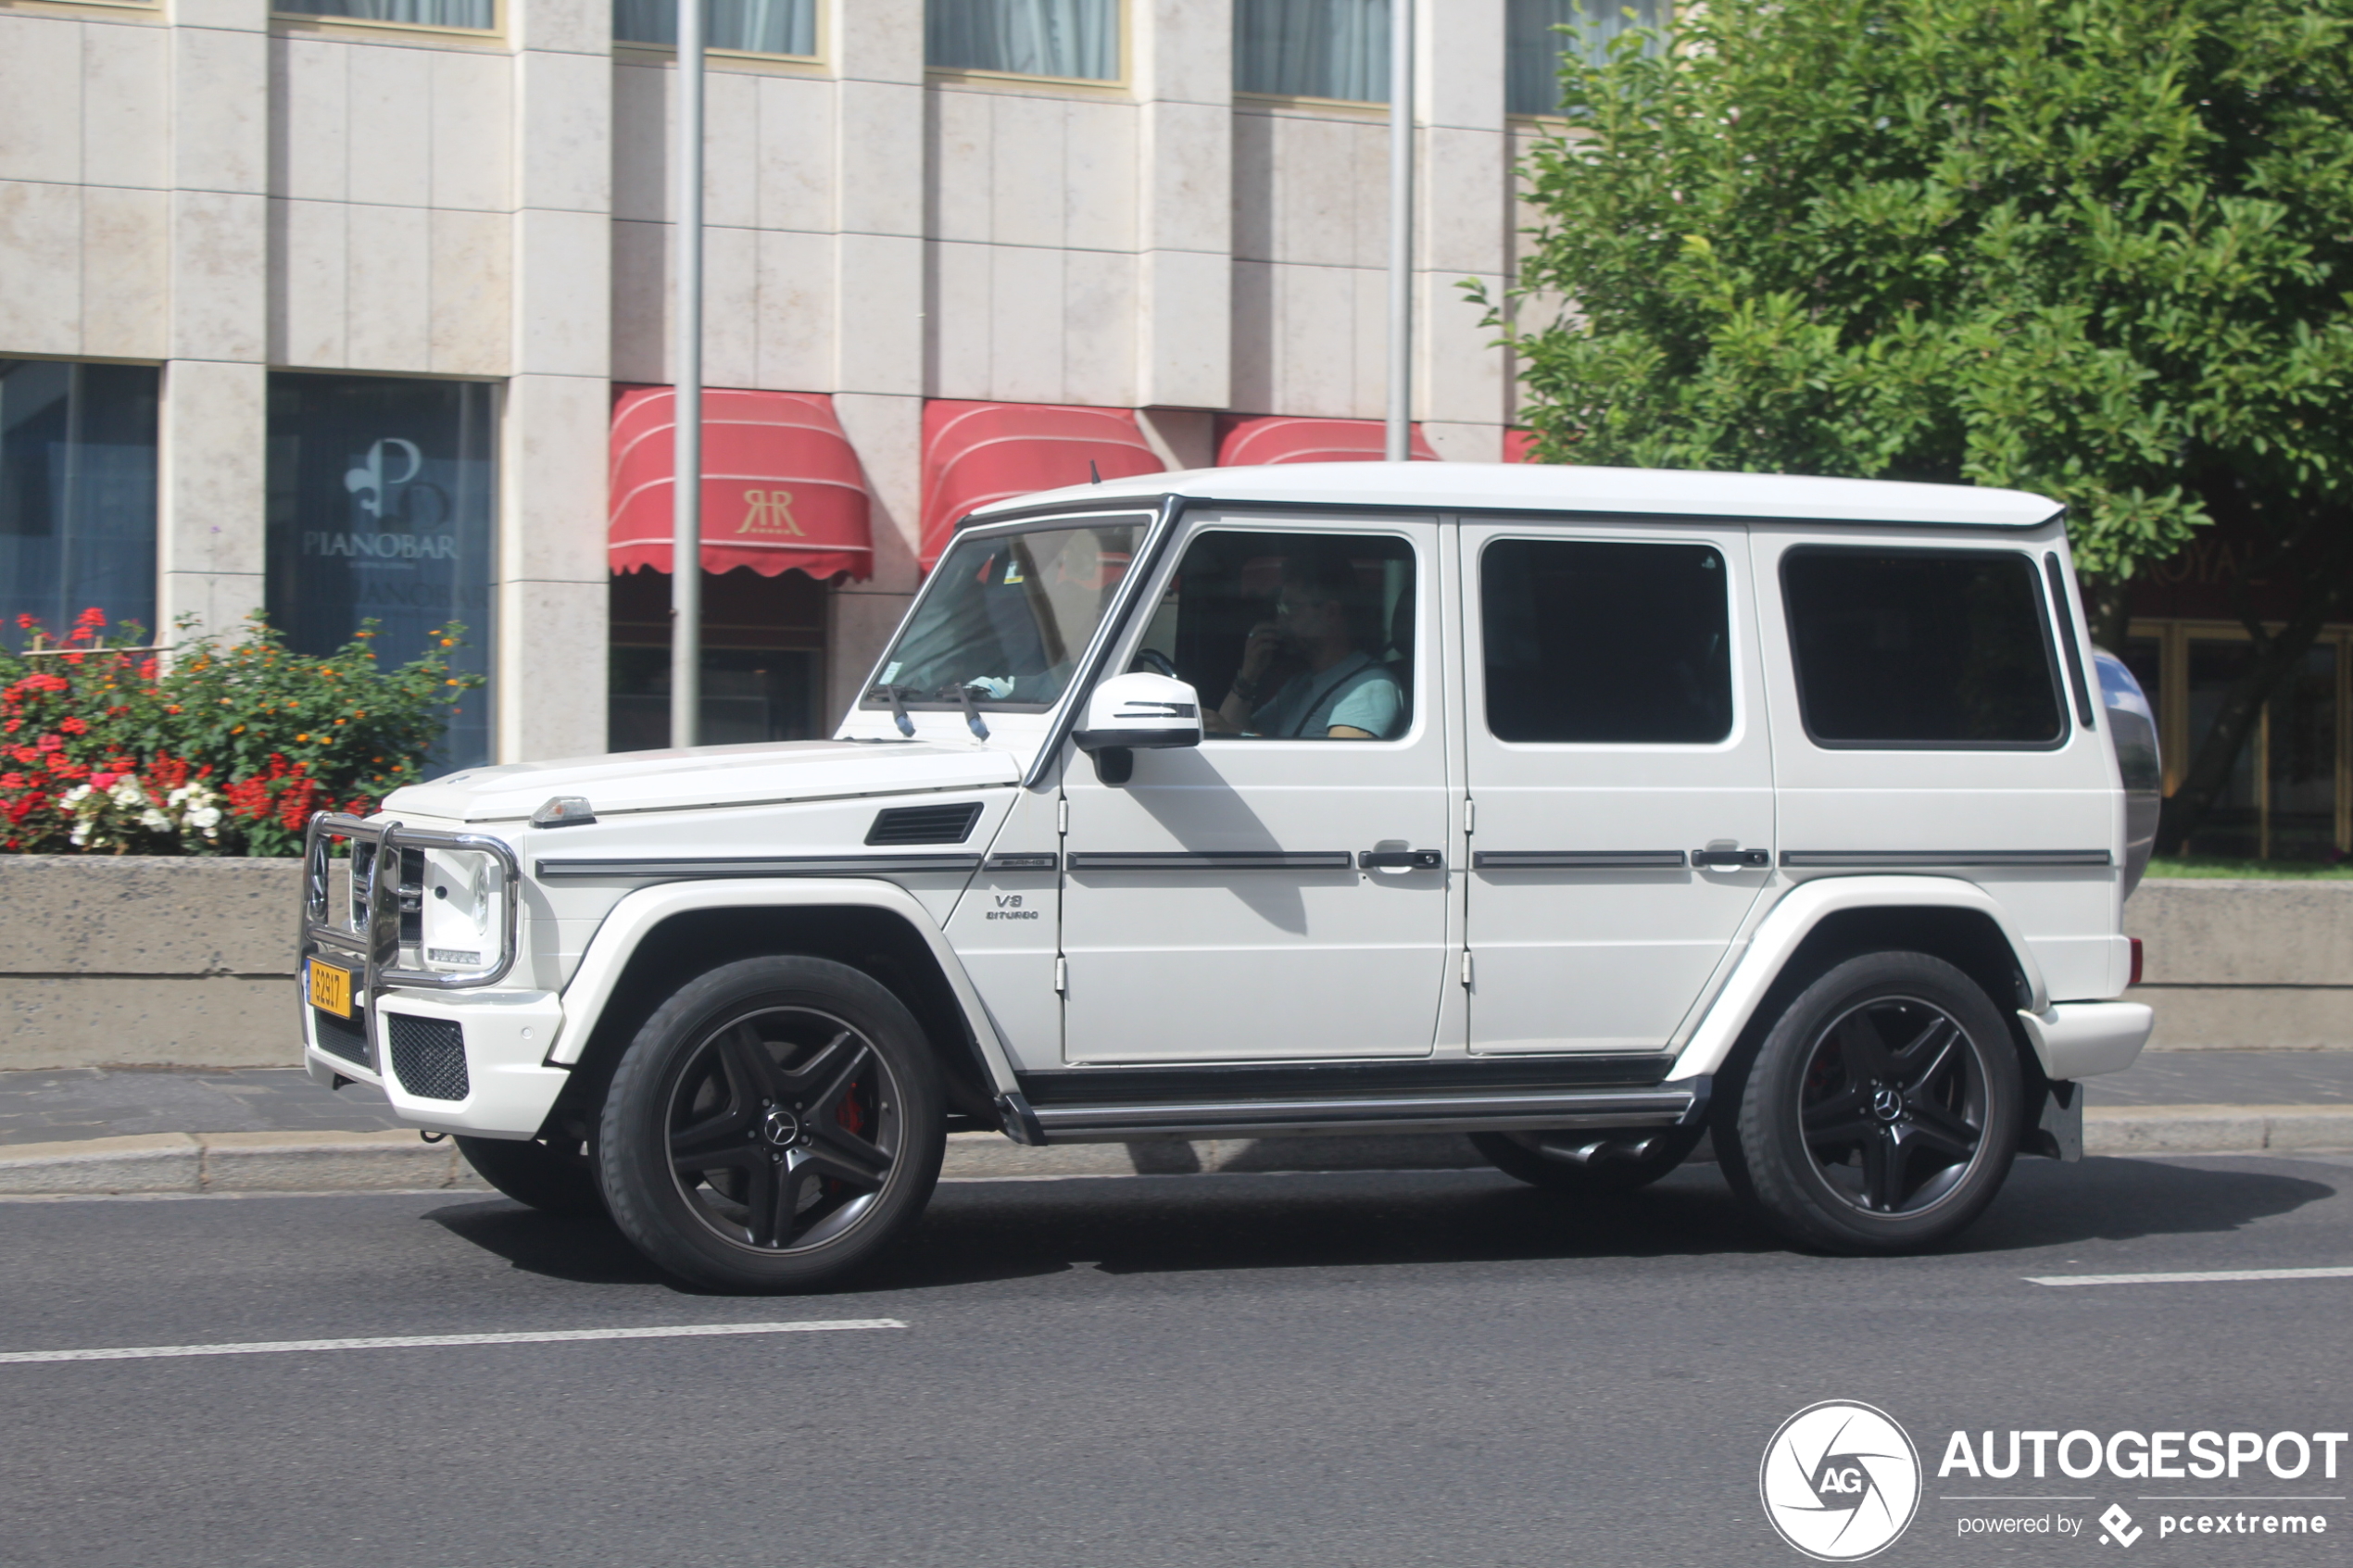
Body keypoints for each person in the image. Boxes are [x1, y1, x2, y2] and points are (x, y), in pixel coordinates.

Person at [1208, 553, 1404, 740]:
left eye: (1291, 607)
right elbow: (1223, 735)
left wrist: (1238, 736)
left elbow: (1339, 768)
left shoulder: (1369, 686)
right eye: (1279, 608)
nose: (1280, 620)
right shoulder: (1298, 686)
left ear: (1330, 613)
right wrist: (1247, 678)